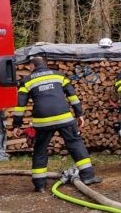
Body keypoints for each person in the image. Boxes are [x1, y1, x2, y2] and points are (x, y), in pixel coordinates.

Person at [12, 57, 101, 192]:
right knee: (75, 144)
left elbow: (20, 106)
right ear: (45, 64)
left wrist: (17, 125)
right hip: (64, 118)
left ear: (32, 66)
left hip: (42, 122)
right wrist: (79, 114)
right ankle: (88, 176)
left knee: (40, 150)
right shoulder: (59, 75)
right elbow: (72, 96)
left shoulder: (26, 81)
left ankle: (40, 185)